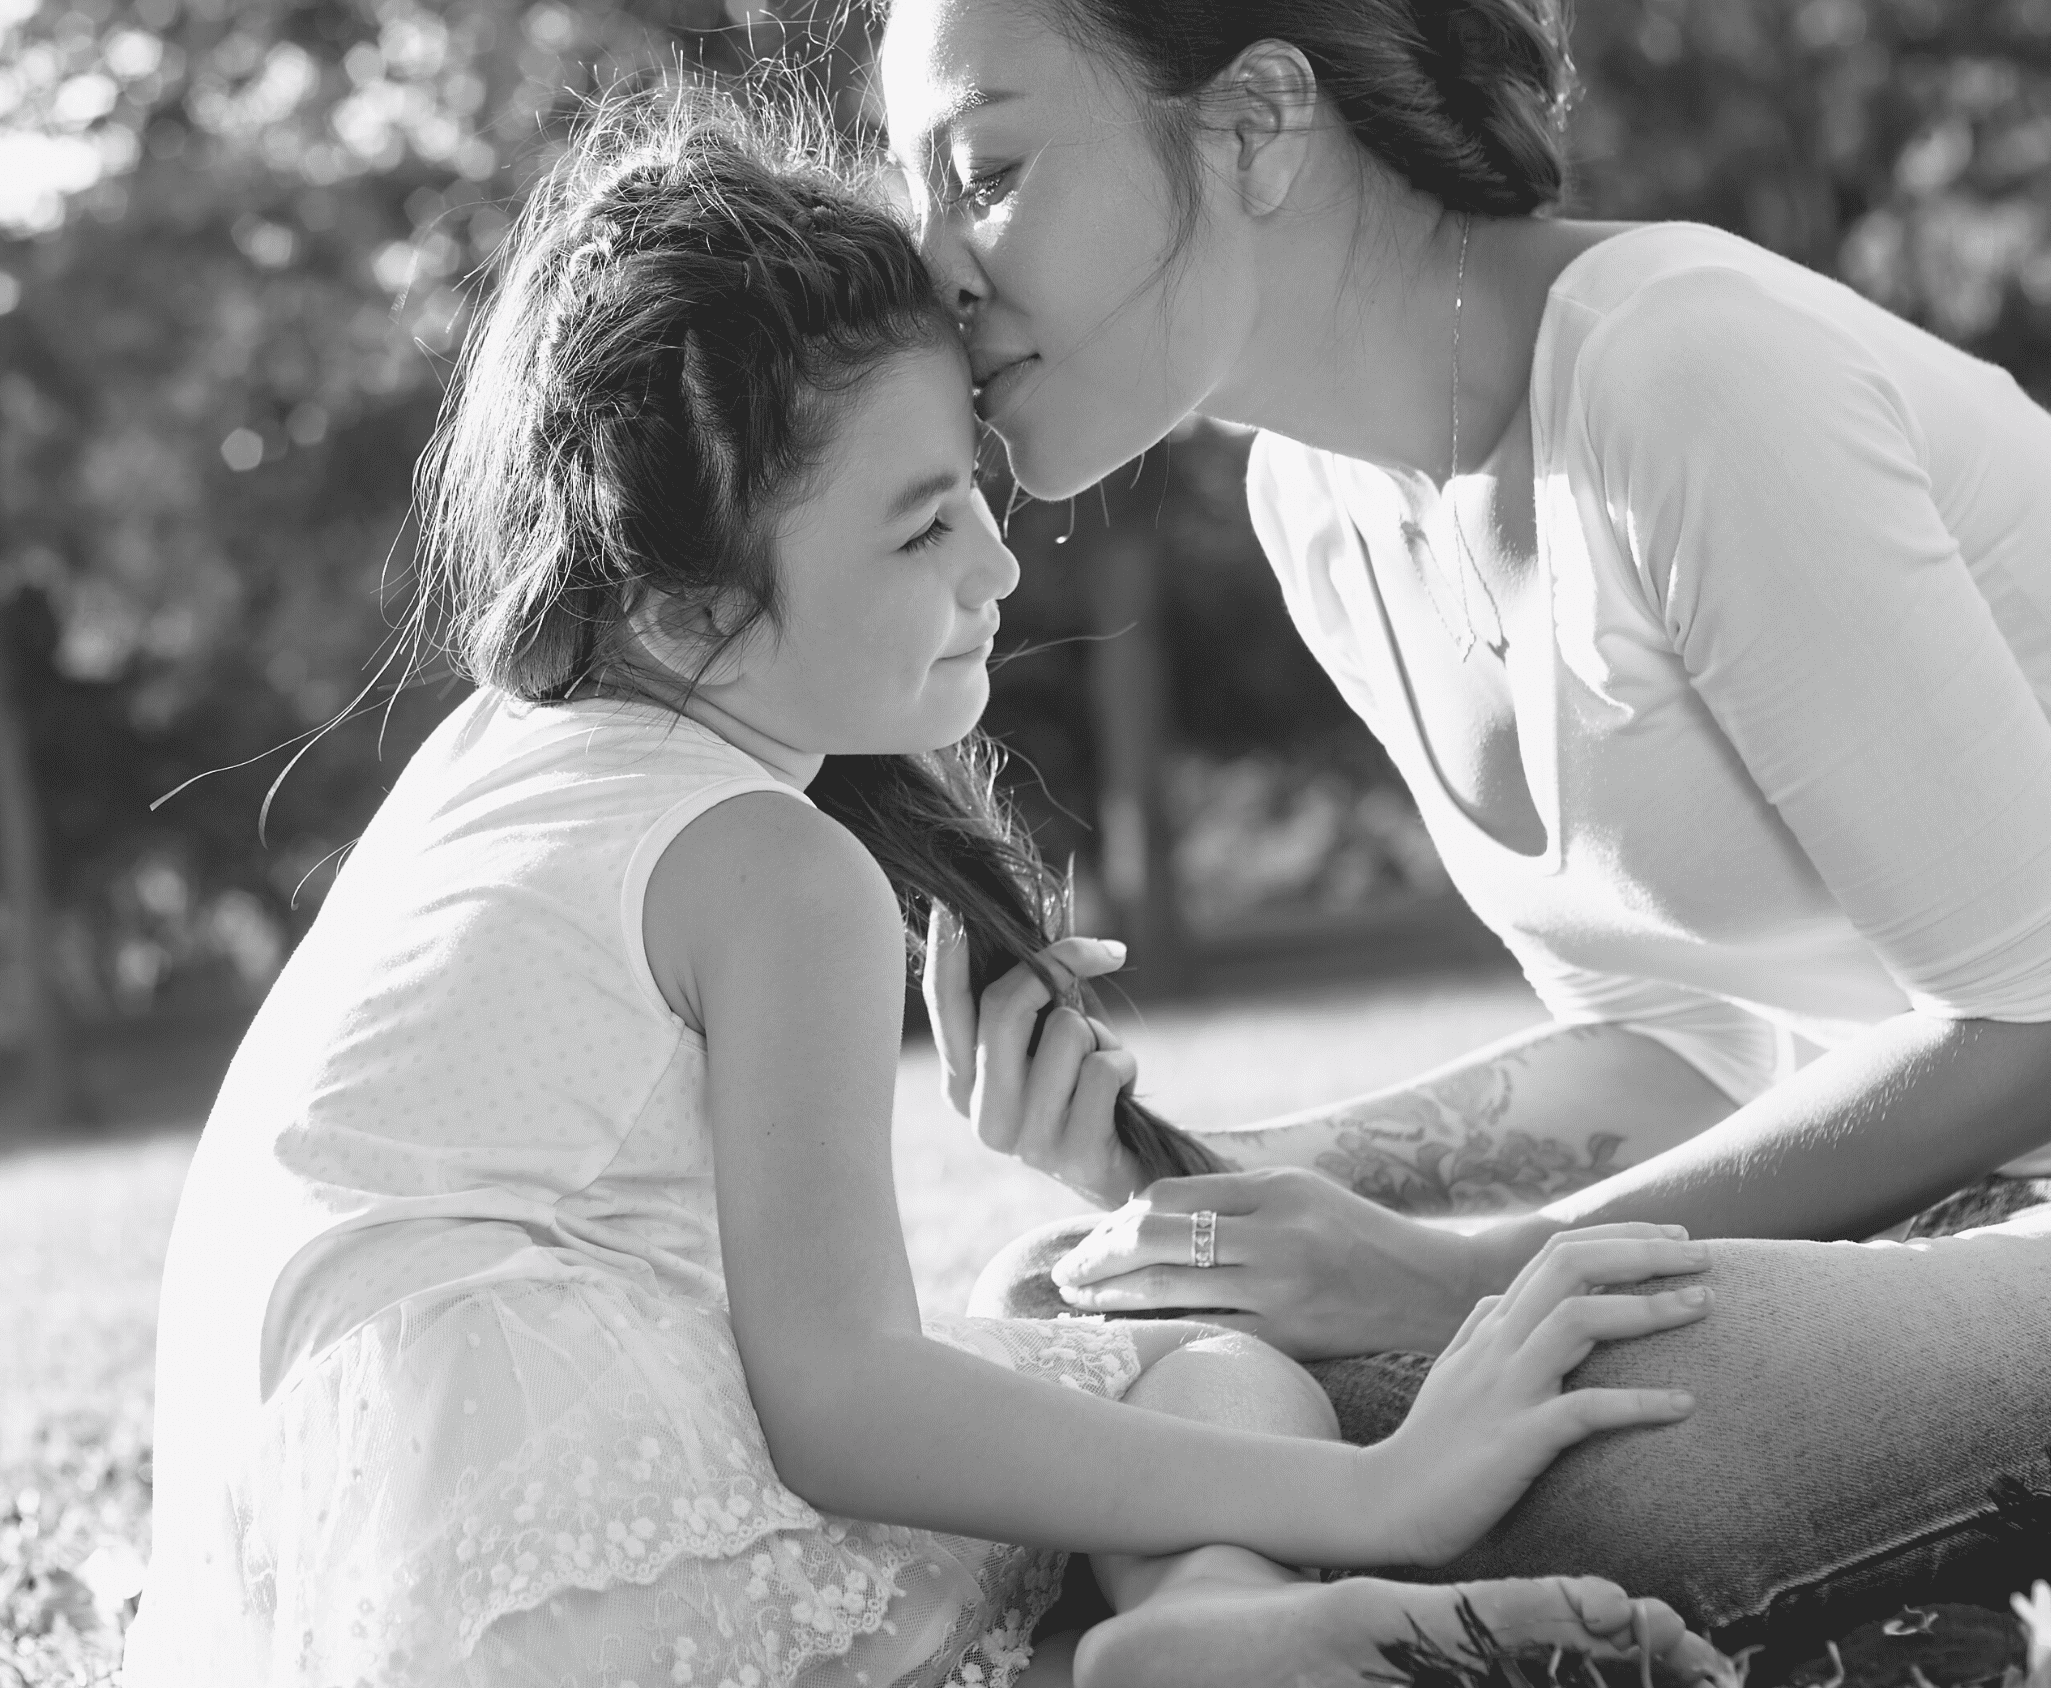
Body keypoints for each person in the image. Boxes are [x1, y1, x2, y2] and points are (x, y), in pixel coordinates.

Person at [847, 0, 2051, 1637]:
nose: (936, 266)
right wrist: (1199, 1181)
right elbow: (1677, 1051)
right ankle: (1246, 1630)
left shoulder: (1680, 367)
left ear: (1263, 117)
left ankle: (1261, 1585)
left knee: (1562, 1457)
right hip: (1949, 1250)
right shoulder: (1324, 506)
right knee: (1076, 1308)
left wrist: (1469, 1285)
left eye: (991, 170)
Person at [124, 83, 1730, 1687]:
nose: (998, 564)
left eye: (975, 492)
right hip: (558, 1531)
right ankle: (1193, 1630)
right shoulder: (764, 866)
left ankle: (1176, 1644)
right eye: (918, 532)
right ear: (686, 610)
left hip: (351, 1600)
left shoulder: (502, 757)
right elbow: (848, 1408)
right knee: (1198, 1366)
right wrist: (1381, 1488)